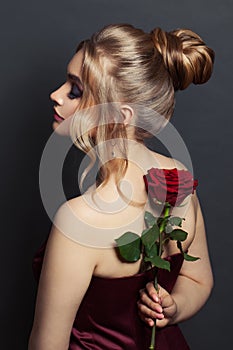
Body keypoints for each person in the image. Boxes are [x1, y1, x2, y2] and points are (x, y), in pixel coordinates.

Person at [28, 23, 214, 349]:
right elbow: (197, 279)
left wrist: (171, 307)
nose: (55, 95)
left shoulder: (79, 220)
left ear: (122, 115)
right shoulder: (178, 176)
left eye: (75, 90)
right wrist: (176, 307)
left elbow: (47, 344)